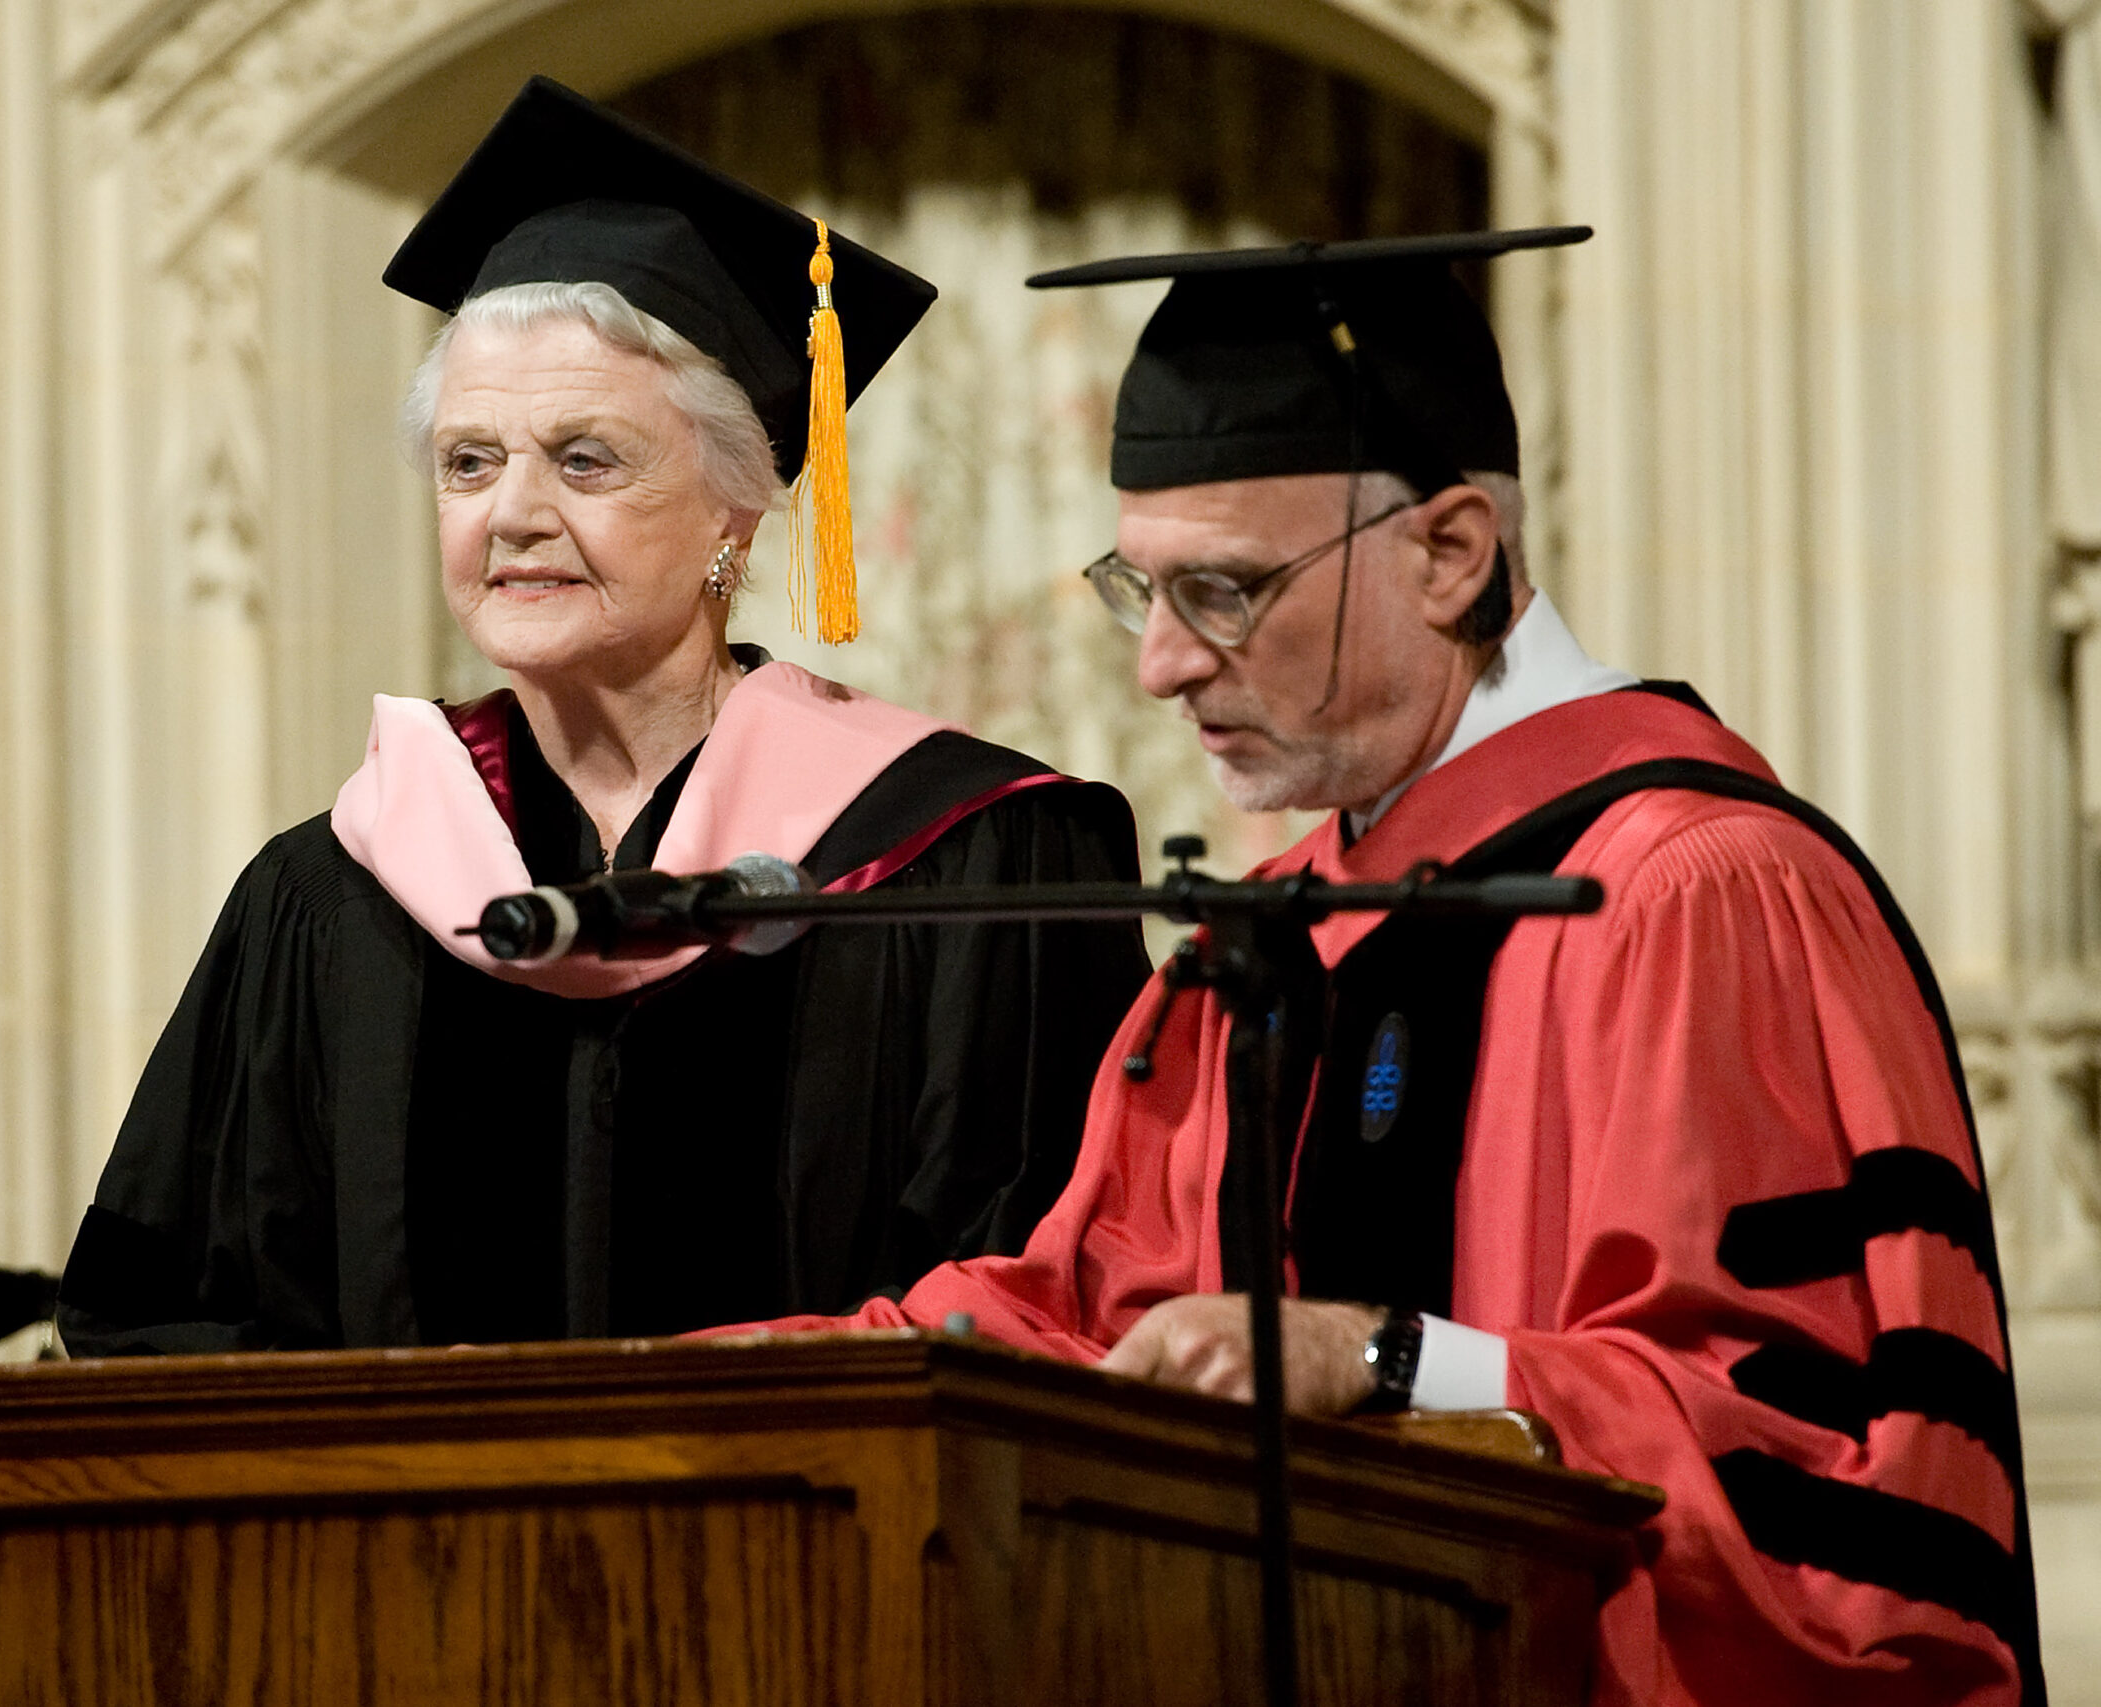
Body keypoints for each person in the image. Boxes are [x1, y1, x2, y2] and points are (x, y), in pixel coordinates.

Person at [739, 229, 2044, 1705]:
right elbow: (1075, 1315)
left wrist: (1384, 1360)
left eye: (1223, 591)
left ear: (1451, 551)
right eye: (1136, 587)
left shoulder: (1695, 891)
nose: (1159, 662)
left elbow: (1814, 1457)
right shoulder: (1268, 940)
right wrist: (711, 1382)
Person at [53, 79, 1149, 1356]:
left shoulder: (964, 862)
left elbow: (1061, 1293)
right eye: (470, 462)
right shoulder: (328, 893)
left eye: (585, 459)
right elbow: (156, 1315)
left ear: (733, 513)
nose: (511, 512)